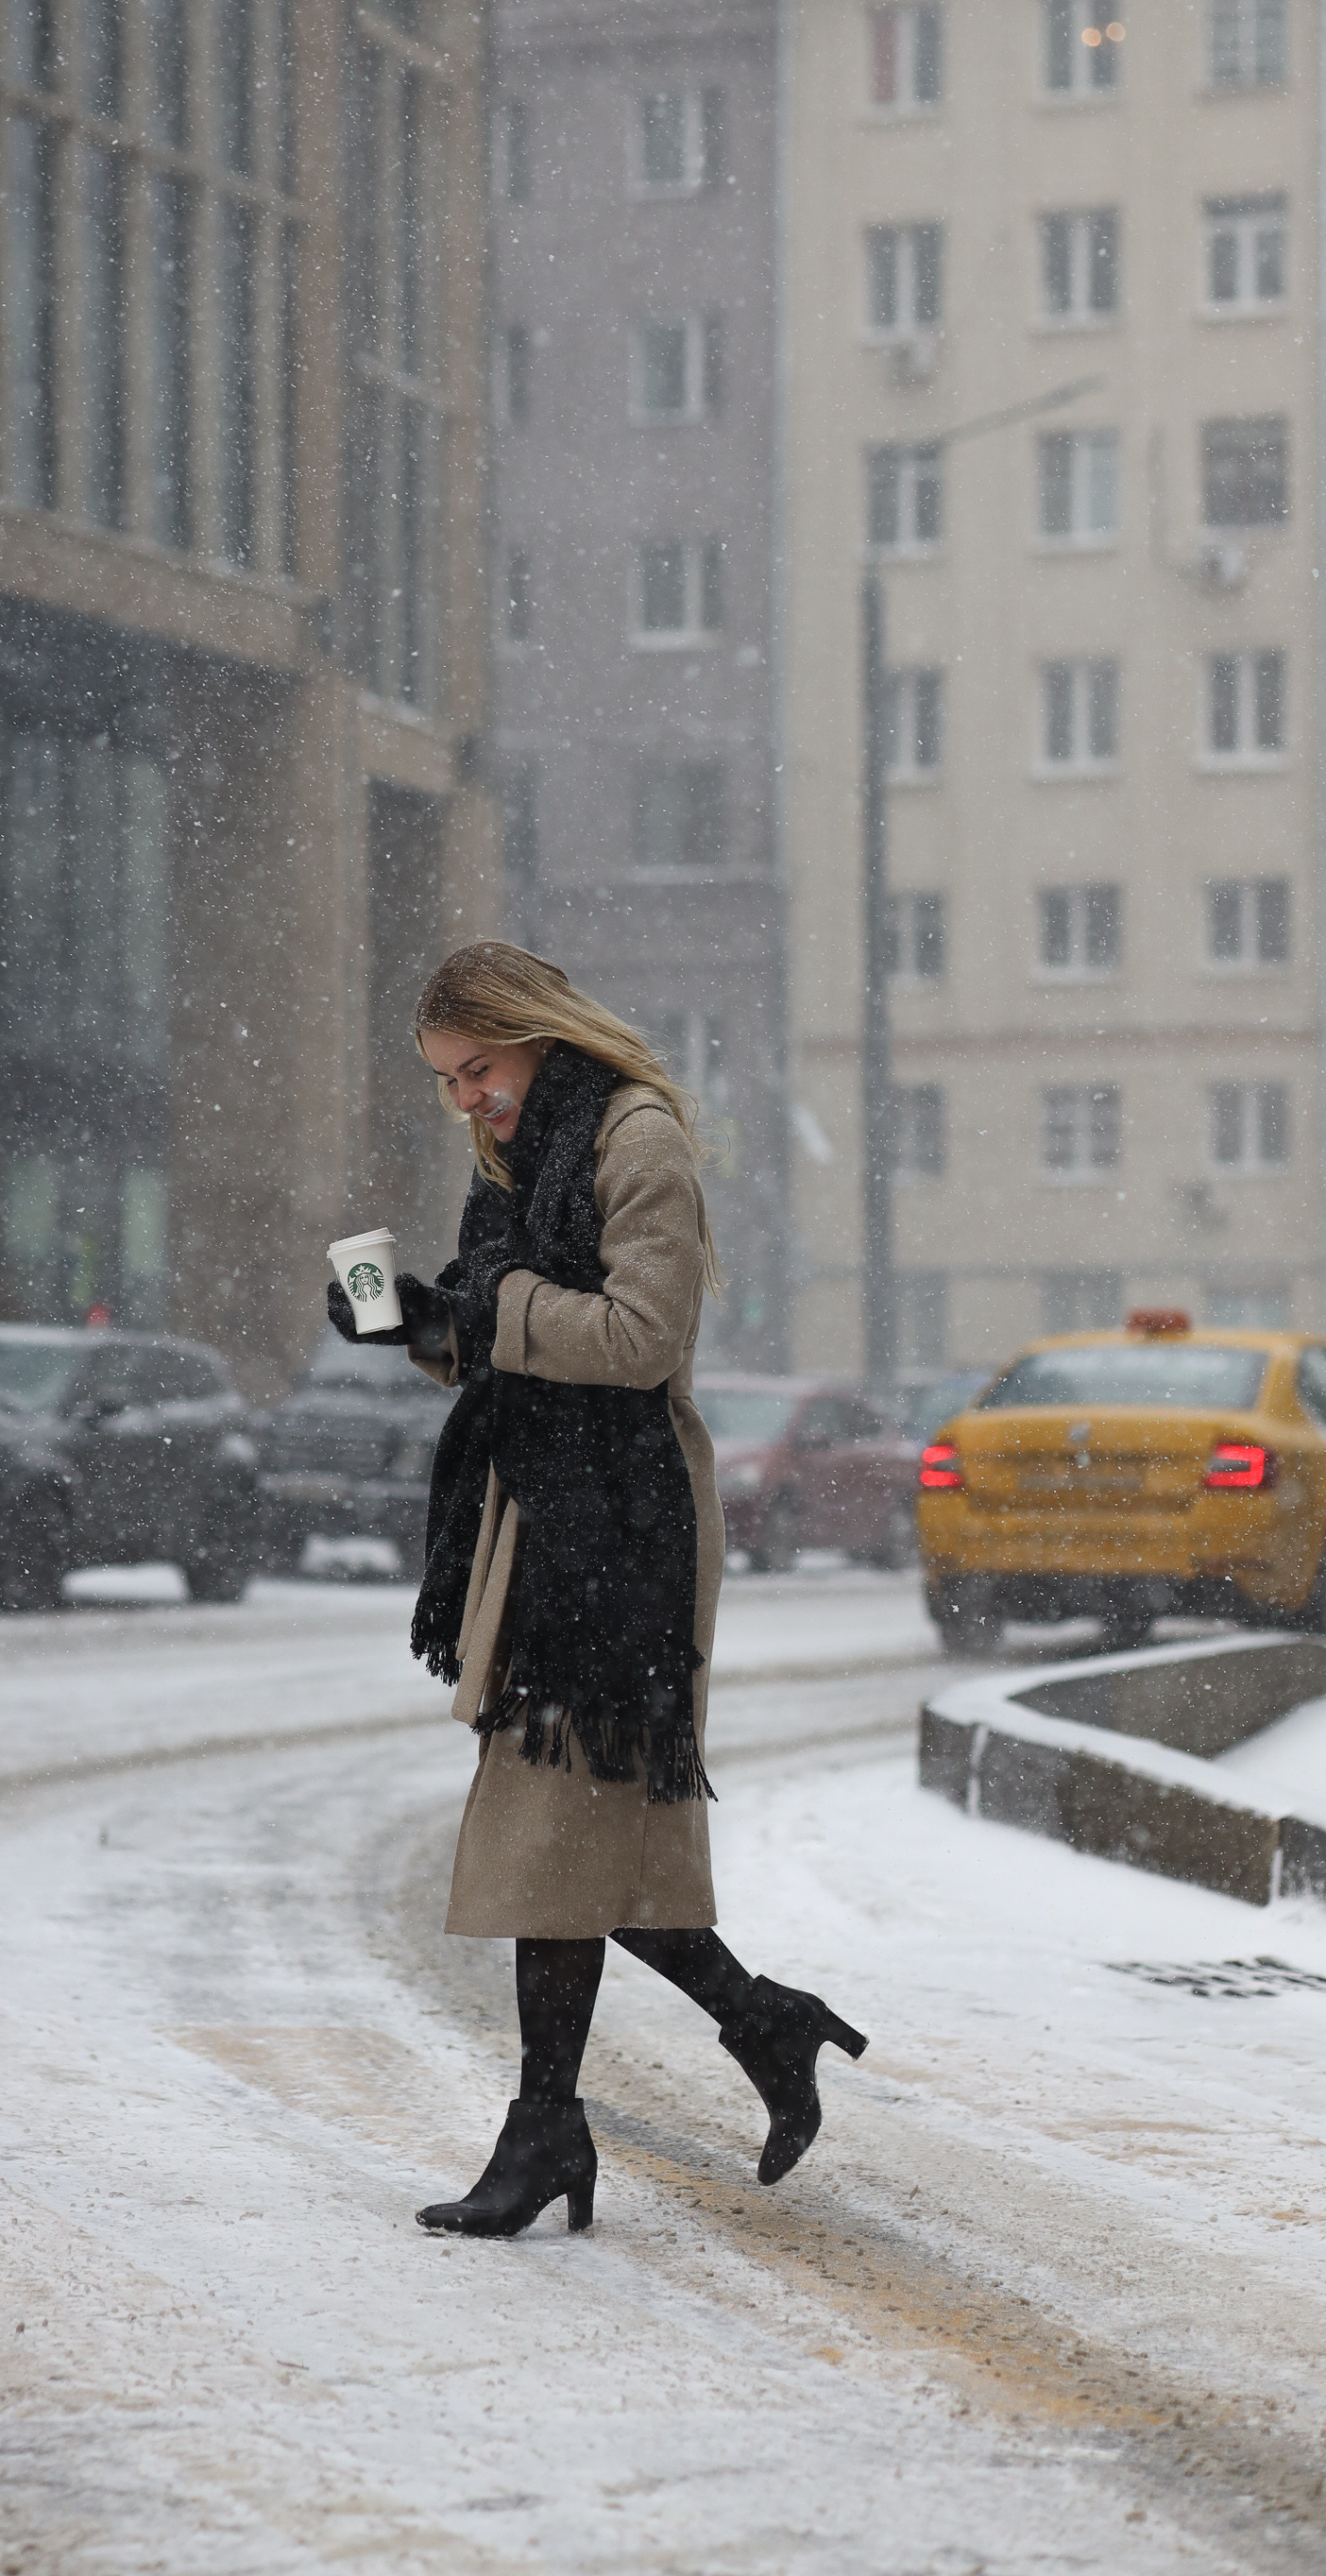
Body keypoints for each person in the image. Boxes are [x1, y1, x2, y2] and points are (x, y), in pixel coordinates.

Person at [328, 942, 866, 2239]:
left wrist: (493, 1306)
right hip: (544, 1515)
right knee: (592, 1844)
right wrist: (420, 1322)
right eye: (448, 1083)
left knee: (552, 1832)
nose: (467, 1099)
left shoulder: (637, 1138)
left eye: (478, 1069)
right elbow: (499, 1339)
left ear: (532, 1035)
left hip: (620, 1533)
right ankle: (757, 2026)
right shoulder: (514, 1161)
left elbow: (638, 1340)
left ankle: (547, 2127)